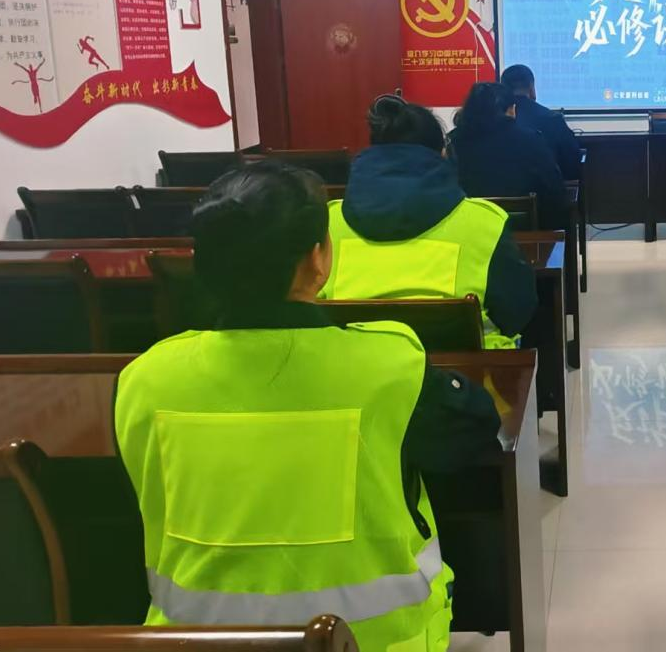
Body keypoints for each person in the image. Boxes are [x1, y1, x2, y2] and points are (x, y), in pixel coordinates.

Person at [115, 161, 502, 652]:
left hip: (193, 644)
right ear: (317, 260)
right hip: (376, 643)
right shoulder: (388, 367)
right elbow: (472, 433)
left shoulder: (145, 380)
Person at [320, 94, 538, 349]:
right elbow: (517, 310)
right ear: (443, 154)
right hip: (468, 369)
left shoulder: (326, 223)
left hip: (352, 368)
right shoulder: (486, 223)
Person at [448, 82, 568, 231]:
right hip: (526, 230)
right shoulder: (531, 140)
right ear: (511, 110)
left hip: (469, 229)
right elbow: (553, 187)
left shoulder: (453, 142)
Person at [501, 64, 583, 181]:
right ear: (532, 89)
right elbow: (572, 161)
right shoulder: (553, 119)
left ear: (502, 90)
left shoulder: (491, 121)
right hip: (544, 189)